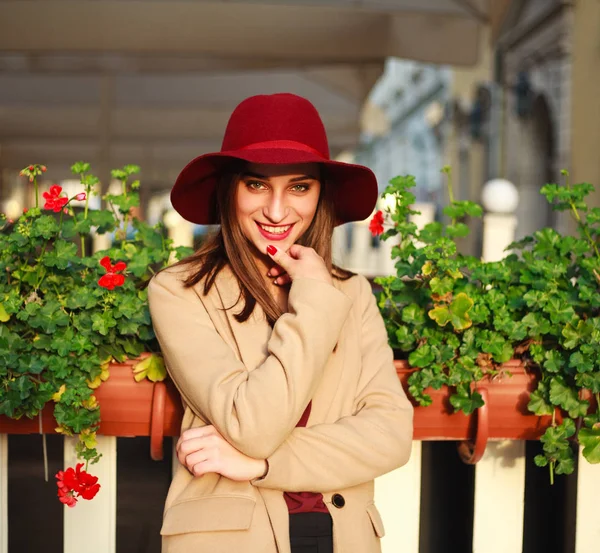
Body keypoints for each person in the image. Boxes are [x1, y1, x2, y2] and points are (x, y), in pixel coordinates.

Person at [147, 93, 414, 553]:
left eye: (299, 187)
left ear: (320, 194)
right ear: (229, 189)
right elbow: (251, 425)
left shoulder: (350, 293)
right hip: (228, 538)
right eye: (256, 185)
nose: (276, 211)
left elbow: (390, 435)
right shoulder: (180, 291)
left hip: (342, 536)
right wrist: (311, 302)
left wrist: (262, 465)